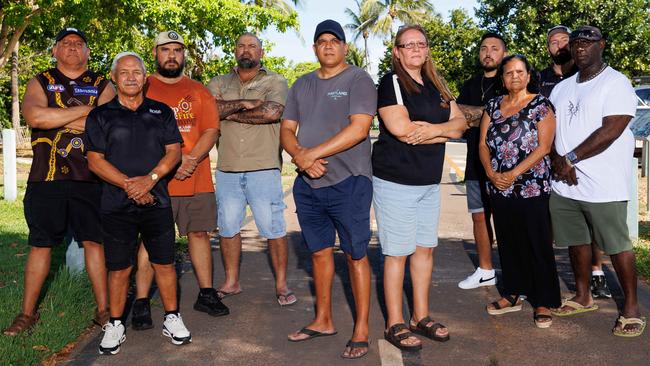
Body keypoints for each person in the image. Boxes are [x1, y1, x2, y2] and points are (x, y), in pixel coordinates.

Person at [3, 28, 114, 336]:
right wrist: (86, 113)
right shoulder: (40, 81)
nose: (73, 48)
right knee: (40, 245)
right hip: (45, 176)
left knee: (95, 242)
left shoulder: (102, 84)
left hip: (92, 177)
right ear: (55, 50)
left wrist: (58, 115)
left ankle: (104, 310)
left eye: (79, 44)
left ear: (88, 52)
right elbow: (35, 118)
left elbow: (106, 126)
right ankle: (27, 314)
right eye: (66, 43)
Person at [281, 19, 376, 359]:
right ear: (315, 48)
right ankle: (323, 319)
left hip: (350, 181)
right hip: (309, 186)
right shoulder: (301, 85)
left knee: (355, 255)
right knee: (319, 253)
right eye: (321, 41)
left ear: (345, 47)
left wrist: (309, 155)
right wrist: (299, 157)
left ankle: (361, 328)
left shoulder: (358, 80)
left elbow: (360, 129)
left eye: (334, 41)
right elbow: (287, 129)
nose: (328, 46)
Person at [85, 52, 191, 354]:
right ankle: (115, 324)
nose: (131, 77)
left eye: (136, 72)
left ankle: (173, 317)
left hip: (156, 201)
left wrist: (151, 179)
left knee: (164, 263)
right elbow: (95, 161)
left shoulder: (161, 112)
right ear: (115, 78)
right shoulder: (100, 115)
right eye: (124, 72)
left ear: (145, 78)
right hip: (116, 204)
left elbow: (174, 152)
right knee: (119, 267)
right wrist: (131, 185)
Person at [373, 25, 466, 350]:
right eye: (407, 44)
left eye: (420, 44)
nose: (415, 49)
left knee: (425, 249)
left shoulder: (438, 84)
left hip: (428, 181)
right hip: (396, 181)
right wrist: (444, 131)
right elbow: (400, 129)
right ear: (397, 51)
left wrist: (432, 130)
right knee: (397, 253)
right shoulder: (393, 82)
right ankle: (394, 323)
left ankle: (420, 316)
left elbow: (460, 125)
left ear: (427, 49)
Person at [549, 26, 645, 337]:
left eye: (588, 43)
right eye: (576, 43)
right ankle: (582, 296)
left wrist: (570, 159)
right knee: (576, 242)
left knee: (616, 245)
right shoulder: (561, 88)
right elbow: (547, 128)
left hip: (603, 182)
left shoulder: (616, 82)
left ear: (601, 45)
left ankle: (631, 308)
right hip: (565, 182)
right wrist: (556, 160)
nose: (580, 48)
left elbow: (612, 129)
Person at [131, 31, 228, 331]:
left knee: (199, 235)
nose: (172, 55)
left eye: (177, 50)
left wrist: (190, 160)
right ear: (155, 53)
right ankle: (142, 301)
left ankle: (206, 293)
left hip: (195, 178)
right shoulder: (142, 88)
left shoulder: (199, 90)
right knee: (151, 241)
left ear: (183, 54)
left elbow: (211, 130)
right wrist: (169, 165)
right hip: (156, 182)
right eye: (165, 50)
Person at [207, 32, 295, 306]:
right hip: (228, 169)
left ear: (261, 52)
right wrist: (247, 105)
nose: (246, 50)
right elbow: (210, 111)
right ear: (234, 51)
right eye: (241, 46)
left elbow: (272, 113)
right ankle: (232, 282)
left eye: (252, 46)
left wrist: (228, 111)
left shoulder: (276, 80)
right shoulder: (218, 82)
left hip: (264, 167)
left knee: (274, 229)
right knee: (228, 228)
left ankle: (281, 285)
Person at [478, 54, 561, 328]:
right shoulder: (492, 105)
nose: (514, 76)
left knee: (537, 243)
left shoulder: (540, 105)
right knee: (508, 241)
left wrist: (513, 174)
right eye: (509, 72)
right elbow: (482, 144)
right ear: (502, 78)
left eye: (519, 71)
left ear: (528, 75)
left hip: (532, 186)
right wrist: (492, 174)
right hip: (499, 187)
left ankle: (542, 300)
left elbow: (544, 147)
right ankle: (512, 293)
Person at [540, 25, 611, 299]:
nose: (558, 45)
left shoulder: (585, 74)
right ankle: (547, 276)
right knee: (558, 222)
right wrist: (556, 158)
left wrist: (571, 159)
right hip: (551, 158)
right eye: (552, 41)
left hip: (584, 159)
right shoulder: (540, 78)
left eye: (563, 40)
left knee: (592, 223)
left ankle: (597, 272)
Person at [456, 33, 507, 290]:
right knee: (479, 217)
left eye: (494, 48)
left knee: (507, 218)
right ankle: (485, 270)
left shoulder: (510, 81)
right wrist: (488, 114)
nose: (488, 53)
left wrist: (476, 114)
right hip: (475, 162)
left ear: (504, 53)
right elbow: (459, 118)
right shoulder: (469, 84)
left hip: (506, 165)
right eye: (484, 48)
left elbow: (508, 116)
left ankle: (513, 271)